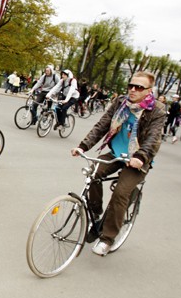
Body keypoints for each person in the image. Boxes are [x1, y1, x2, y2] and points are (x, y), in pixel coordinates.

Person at [70, 71, 166, 256]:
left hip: (138, 159)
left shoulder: (157, 110)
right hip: (116, 153)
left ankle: (107, 238)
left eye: (139, 87)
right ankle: (95, 212)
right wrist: (83, 146)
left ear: (149, 90)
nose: (133, 90)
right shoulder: (121, 102)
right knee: (93, 173)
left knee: (121, 193)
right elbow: (102, 125)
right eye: (131, 85)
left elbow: (153, 138)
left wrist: (141, 157)